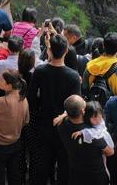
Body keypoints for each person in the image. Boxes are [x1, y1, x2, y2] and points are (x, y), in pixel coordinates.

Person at [27, 32, 81, 185]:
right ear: (66, 51)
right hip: (64, 126)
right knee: (63, 166)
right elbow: (76, 105)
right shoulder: (73, 76)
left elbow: (31, 98)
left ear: (49, 50)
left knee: (42, 165)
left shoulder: (40, 71)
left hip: (43, 123)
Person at [58, 97, 113, 185]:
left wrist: (63, 115)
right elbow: (110, 152)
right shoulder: (93, 134)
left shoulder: (61, 124)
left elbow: (69, 112)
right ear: (83, 111)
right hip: (95, 177)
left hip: (75, 175)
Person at [84, 32, 117, 101]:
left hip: (92, 105)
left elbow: (84, 90)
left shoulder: (90, 66)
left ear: (103, 46)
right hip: (113, 107)